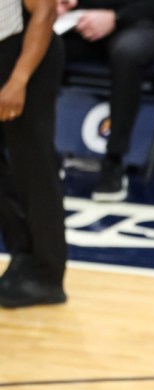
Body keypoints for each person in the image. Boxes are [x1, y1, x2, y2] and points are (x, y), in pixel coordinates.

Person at [56, 0, 154, 202]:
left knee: (126, 53)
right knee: (39, 45)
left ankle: (114, 161)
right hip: (85, 20)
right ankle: (45, 156)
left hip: (146, 23)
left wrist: (117, 17)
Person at [0, 0, 67, 308]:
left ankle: (48, 274)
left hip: (22, 59)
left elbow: (45, 11)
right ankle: (23, 256)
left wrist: (18, 80)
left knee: (34, 168)